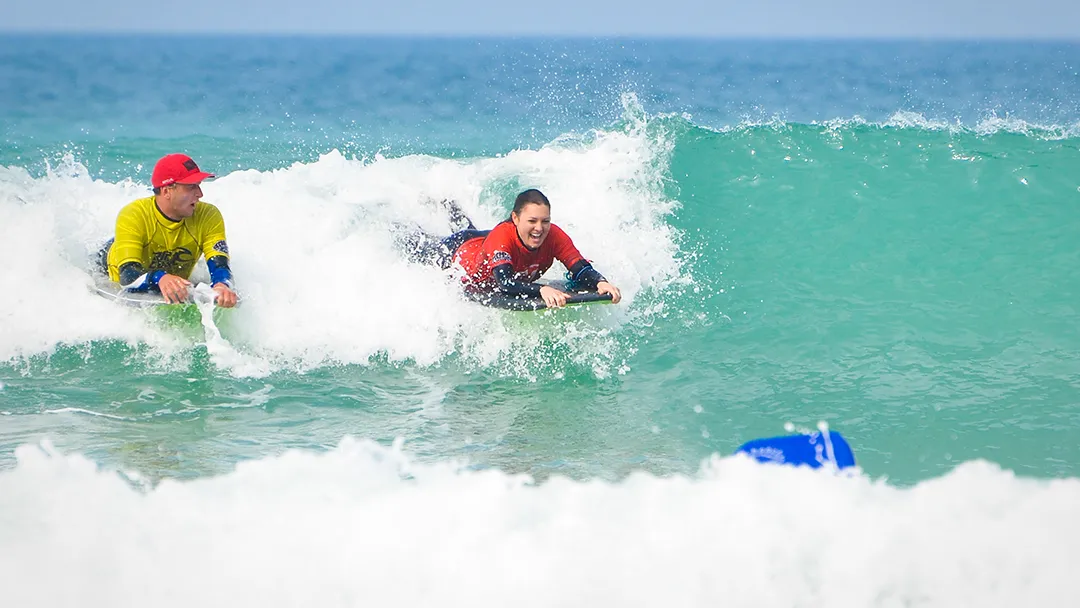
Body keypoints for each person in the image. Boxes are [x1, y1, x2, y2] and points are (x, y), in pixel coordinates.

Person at [407, 189, 622, 308]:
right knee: (420, 245)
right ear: (515, 218)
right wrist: (541, 289)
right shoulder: (502, 236)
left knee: (476, 231)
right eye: (532, 221)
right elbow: (505, 283)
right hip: (459, 252)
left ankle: (450, 206)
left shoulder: (553, 235)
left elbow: (579, 267)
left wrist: (601, 282)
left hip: (485, 242)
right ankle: (402, 224)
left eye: (545, 221)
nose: (540, 228)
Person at [100, 153, 238, 307]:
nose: (200, 194)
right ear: (166, 191)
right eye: (191, 187)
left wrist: (222, 285)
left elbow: (220, 266)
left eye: (199, 185)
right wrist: (160, 278)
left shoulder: (208, 215)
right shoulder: (133, 214)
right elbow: (127, 277)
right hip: (108, 266)